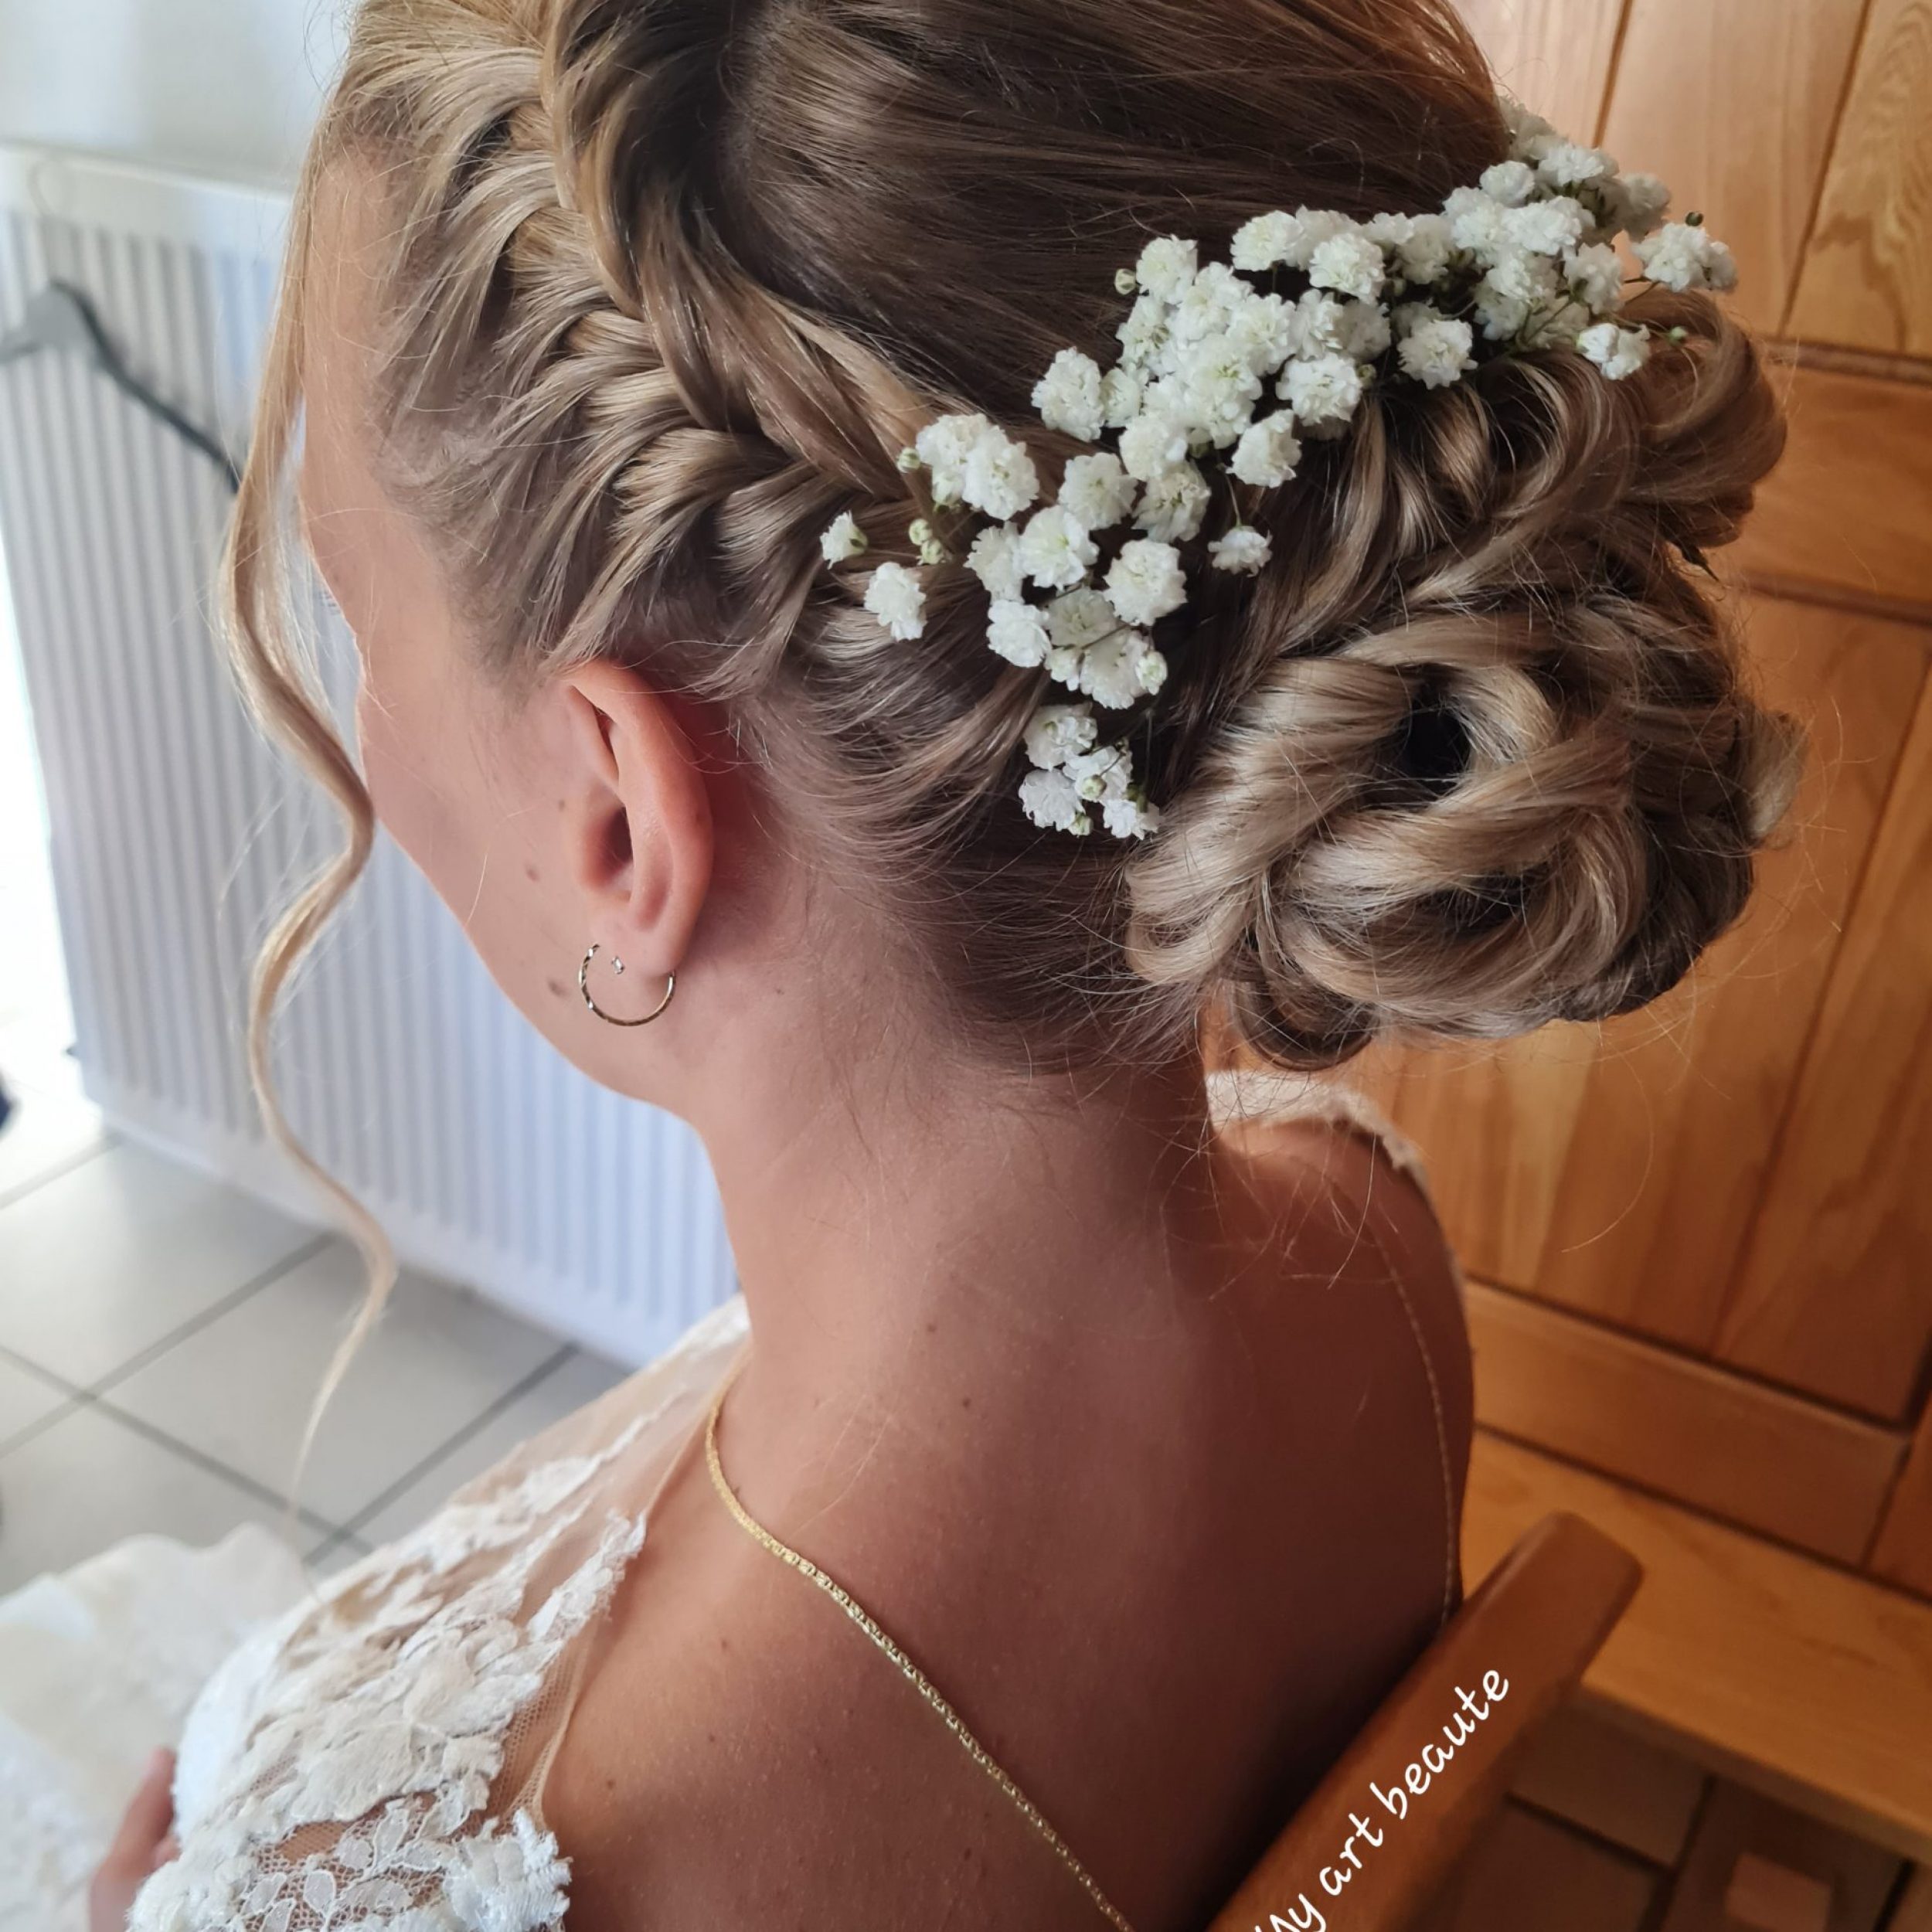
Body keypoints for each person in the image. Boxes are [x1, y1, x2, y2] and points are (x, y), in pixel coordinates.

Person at [75, 0, 1799, 1926]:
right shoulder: (1360, 1233)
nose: (362, 729)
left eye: (356, 612)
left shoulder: (451, 1877)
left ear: (620, 818)